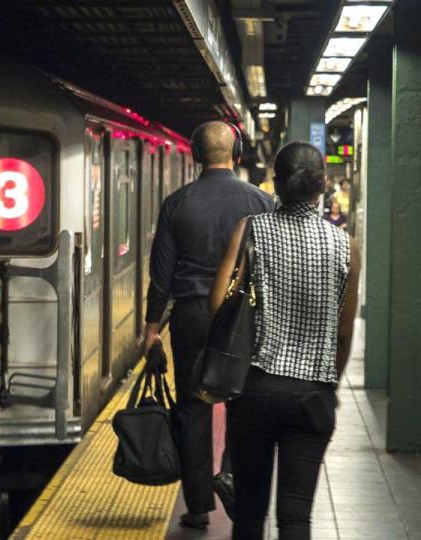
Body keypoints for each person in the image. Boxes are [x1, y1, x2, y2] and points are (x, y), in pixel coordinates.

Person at [211, 142, 360, 540]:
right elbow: (344, 332)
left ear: (275, 183)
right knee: (296, 519)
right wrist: (328, 382)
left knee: (248, 514)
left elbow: (216, 303)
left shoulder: (251, 230)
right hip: (312, 396)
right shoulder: (345, 245)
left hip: (255, 391)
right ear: (322, 185)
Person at [143, 121, 274, 528]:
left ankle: (198, 506)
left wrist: (151, 328)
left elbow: (161, 274)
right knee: (243, 402)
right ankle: (234, 480)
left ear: (196, 157)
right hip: (243, 315)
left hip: (192, 316)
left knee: (193, 407)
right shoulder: (262, 202)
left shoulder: (176, 203)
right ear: (236, 155)